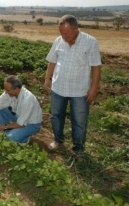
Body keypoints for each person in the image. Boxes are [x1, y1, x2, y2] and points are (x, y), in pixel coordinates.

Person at [43, 14, 102, 154]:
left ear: (76, 29)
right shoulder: (58, 41)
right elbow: (52, 61)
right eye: (61, 33)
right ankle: (58, 139)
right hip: (58, 87)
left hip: (79, 91)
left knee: (79, 120)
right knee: (56, 116)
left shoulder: (90, 42)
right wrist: (47, 79)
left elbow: (96, 68)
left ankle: (78, 148)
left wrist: (93, 89)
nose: (63, 36)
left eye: (66, 33)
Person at [0, 75, 42, 145]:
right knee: (0, 107)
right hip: (19, 118)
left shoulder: (27, 100)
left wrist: (4, 126)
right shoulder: (9, 93)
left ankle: (24, 138)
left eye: (8, 90)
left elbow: (22, 124)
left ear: (16, 89)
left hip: (31, 124)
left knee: (9, 139)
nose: (6, 92)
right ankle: (9, 132)